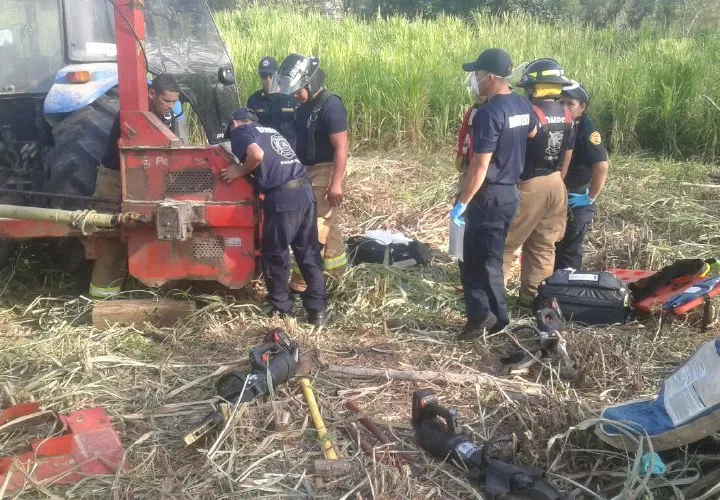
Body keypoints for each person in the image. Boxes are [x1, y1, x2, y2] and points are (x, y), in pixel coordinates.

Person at [451, 48, 537, 341]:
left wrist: (462, 203)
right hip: (510, 193)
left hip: (487, 195)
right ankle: (492, 316)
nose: (474, 80)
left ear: (489, 77)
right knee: (490, 255)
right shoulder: (522, 105)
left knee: (475, 258)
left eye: (476, 74)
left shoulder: (489, 112)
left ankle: (488, 319)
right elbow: (533, 134)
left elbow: (480, 165)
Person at [219, 108, 328, 325]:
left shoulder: (242, 131)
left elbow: (256, 155)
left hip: (283, 197)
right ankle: (318, 311)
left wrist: (239, 171)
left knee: (275, 252)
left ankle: (280, 306)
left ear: (233, 124)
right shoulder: (270, 131)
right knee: (307, 252)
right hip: (305, 192)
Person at [89, 74, 181, 299]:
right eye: (166, 101)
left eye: (173, 102)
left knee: (151, 228)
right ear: (152, 94)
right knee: (110, 232)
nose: (170, 106)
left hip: (148, 178)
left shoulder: (168, 118)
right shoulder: (131, 117)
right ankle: (102, 296)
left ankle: (148, 287)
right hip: (115, 178)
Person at [501, 58, 576, 309]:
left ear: (535, 87)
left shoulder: (529, 113)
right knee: (543, 246)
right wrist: (558, 182)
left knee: (504, 244)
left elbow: (514, 150)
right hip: (556, 184)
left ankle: (493, 299)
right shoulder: (567, 114)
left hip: (530, 184)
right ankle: (532, 301)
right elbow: (567, 153)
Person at [272, 54, 350, 292]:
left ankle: (300, 282)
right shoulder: (304, 107)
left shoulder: (331, 106)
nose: (295, 95)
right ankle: (337, 273)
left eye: (298, 90)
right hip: (307, 170)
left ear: (311, 83)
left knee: (314, 226)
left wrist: (335, 184)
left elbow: (341, 148)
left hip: (327, 169)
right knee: (329, 223)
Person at [554, 80, 609, 270]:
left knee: (569, 250)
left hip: (576, 198)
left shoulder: (586, 130)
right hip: (558, 194)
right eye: (561, 102)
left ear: (582, 107)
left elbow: (601, 166)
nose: (565, 108)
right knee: (553, 246)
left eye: (570, 104)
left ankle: (567, 291)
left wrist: (590, 198)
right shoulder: (560, 124)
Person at [247, 57, 298, 146]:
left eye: (271, 75)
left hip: (289, 150)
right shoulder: (254, 100)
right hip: (266, 150)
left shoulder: (292, 97)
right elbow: (250, 129)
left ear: (278, 75)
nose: (268, 79)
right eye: (264, 76)